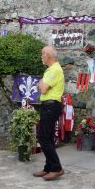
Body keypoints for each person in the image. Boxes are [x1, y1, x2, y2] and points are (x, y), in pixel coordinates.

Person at [33, 45, 65, 181]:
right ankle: (49, 167)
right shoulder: (52, 70)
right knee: (48, 137)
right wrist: (41, 84)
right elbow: (40, 86)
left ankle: (57, 168)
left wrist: (41, 83)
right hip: (49, 106)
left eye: (42, 54)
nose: (41, 57)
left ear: (48, 55)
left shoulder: (54, 70)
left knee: (43, 137)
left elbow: (43, 88)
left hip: (51, 106)